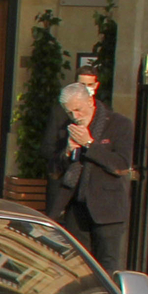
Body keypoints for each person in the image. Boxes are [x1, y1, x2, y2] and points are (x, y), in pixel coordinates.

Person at [45, 81, 134, 273]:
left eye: (78, 110)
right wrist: (67, 152)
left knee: (105, 268)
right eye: (70, 112)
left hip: (107, 210)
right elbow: (53, 170)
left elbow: (120, 166)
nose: (75, 117)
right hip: (77, 208)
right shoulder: (66, 128)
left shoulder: (119, 124)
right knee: (78, 268)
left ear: (91, 102)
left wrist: (89, 144)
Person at [40, 61, 105, 217]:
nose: (87, 89)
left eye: (90, 84)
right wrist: (67, 151)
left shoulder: (105, 114)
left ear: (96, 86)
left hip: (91, 186)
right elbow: (47, 148)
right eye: (82, 84)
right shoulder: (60, 112)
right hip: (64, 181)